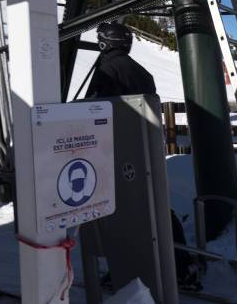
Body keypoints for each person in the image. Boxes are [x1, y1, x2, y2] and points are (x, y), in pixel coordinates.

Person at [86, 22, 200, 289]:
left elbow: (93, 110)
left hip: (114, 151)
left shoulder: (105, 71)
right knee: (155, 206)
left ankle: (124, 268)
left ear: (105, 43)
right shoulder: (143, 72)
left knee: (119, 213)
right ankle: (180, 265)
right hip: (145, 149)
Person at [85, 22, 156, 97]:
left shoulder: (107, 69)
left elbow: (96, 104)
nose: (98, 43)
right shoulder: (145, 74)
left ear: (106, 43)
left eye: (100, 40)